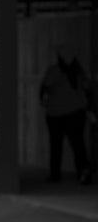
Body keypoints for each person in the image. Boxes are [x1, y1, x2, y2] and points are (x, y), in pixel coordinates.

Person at [40, 44, 94, 185]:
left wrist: (44, 103)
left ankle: (55, 174)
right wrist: (89, 108)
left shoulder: (54, 71)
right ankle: (83, 173)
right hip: (76, 113)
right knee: (78, 145)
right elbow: (88, 90)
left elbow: (44, 90)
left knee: (56, 145)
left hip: (56, 115)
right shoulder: (79, 72)